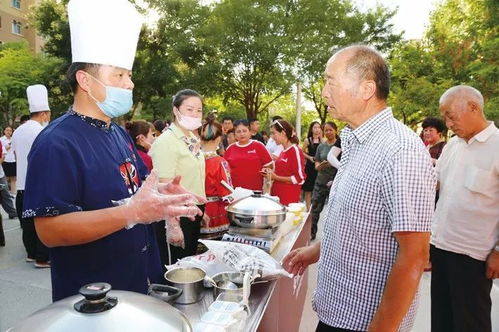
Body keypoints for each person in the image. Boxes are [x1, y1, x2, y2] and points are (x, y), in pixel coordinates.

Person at [22, 0, 203, 301]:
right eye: (119, 76)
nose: (130, 83)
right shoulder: (57, 142)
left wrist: (162, 194)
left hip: (141, 280)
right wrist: (130, 213)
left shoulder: (117, 132)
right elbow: (50, 231)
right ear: (85, 80)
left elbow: (136, 189)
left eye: (128, 75)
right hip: (95, 295)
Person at [283, 45, 436, 332]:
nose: (325, 92)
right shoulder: (354, 141)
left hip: (365, 322)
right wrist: (318, 249)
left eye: (331, 82)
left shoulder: (400, 151)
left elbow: (414, 256)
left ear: (366, 89)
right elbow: (360, 226)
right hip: (337, 311)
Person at [430, 85, 499, 332]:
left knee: (471, 324)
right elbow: (435, 185)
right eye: (445, 116)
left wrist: (498, 252)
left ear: (473, 107)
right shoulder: (453, 146)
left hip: (473, 256)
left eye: (451, 115)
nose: (447, 122)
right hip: (441, 247)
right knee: (441, 320)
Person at [150, 89, 206, 266]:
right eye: (190, 109)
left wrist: (202, 209)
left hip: (193, 211)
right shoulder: (167, 141)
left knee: (188, 263)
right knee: (175, 267)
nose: (195, 114)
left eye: (199, 110)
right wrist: (173, 226)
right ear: (176, 110)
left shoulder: (190, 139)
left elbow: (195, 176)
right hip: (176, 215)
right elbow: (164, 187)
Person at [11, 84, 51, 268]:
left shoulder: (18, 131)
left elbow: (18, 156)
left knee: (27, 222)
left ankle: (31, 254)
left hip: (21, 185)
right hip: (38, 183)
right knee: (42, 220)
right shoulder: (41, 131)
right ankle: (42, 258)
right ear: (44, 114)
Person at [199, 112, 232, 239]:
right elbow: (226, 192)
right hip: (215, 212)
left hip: (196, 210)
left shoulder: (192, 159)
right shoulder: (220, 162)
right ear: (219, 138)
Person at [263, 119, 305, 206]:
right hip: (277, 196)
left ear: (283, 133)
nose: (272, 137)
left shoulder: (295, 151)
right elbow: (283, 172)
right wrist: (270, 173)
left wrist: (276, 177)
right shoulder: (283, 150)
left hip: (288, 199)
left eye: (273, 133)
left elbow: (300, 178)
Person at [310, 121, 340, 240]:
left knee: (334, 212)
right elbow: (316, 163)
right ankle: (312, 233)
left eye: (330, 130)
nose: (328, 132)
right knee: (315, 210)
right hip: (320, 182)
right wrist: (319, 166)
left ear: (335, 130)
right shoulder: (321, 146)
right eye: (326, 130)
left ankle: (332, 237)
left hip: (335, 183)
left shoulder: (341, 146)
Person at [224, 119, 273, 192]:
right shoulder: (230, 148)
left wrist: (265, 172)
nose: (242, 134)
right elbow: (225, 170)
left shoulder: (258, 146)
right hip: (235, 192)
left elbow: (269, 165)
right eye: (238, 132)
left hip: (255, 192)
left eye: (244, 131)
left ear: (250, 132)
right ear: (235, 135)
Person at [302, 121, 322, 210]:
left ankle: (314, 209)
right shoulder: (308, 140)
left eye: (318, 127)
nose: (317, 129)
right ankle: (308, 210)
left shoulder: (323, 140)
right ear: (311, 129)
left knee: (317, 189)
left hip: (320, 166)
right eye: (315, 127)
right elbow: (301, 152)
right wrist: (309, 157)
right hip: (310, 167)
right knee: (308, 189)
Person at [1, 126, 17, 193]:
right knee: (6, 178)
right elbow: (4, 149)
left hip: (13, 160)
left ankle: (13, 193)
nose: (9, 132)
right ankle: (6, 193)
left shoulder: (14, 139)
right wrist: (10, 143)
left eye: (10, 130)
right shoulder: (1, 139)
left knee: (13, 178)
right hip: (5, 160)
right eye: (7, 130)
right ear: (4, 131)